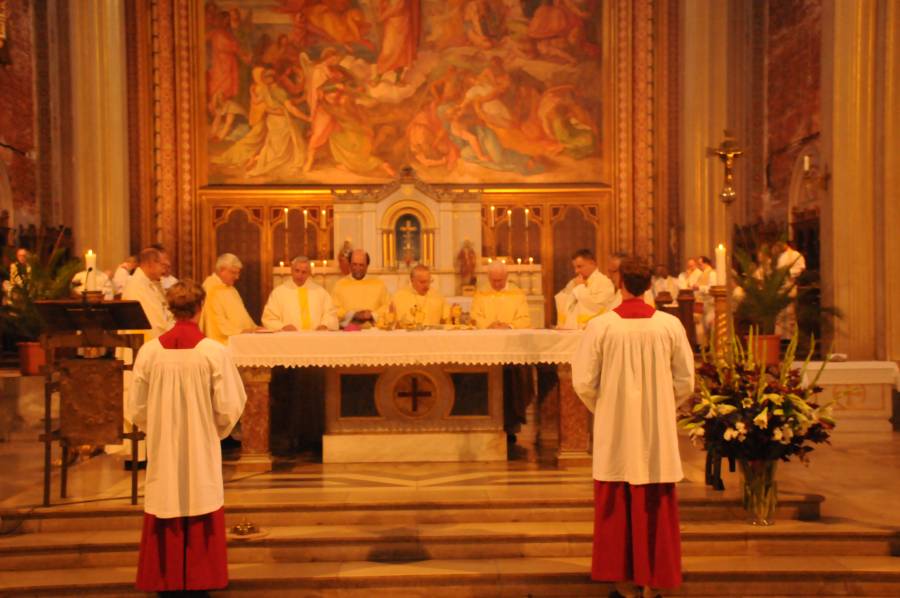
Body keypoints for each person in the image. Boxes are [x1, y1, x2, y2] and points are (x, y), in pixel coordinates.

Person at [571, 257, 694, 598]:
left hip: (616, 429)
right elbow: (686, 380)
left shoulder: (602, 326)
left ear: (621, 282)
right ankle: (653, 581)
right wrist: (661, 407)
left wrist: (609, 409)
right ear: (649, 284)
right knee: (655, 501)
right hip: (657, 431)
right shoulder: (669, 326)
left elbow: (582, 382)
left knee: (616, 499)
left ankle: (623, 581)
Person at [127, 280, 247, 593]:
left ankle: (164, 578)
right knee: (199, 494)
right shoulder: (213, 352)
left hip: (164, 444)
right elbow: (231, 404)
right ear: (200, 307)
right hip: (200, 443)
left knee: (166, 495)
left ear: (170, 308)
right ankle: (200, 577)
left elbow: (136, 406)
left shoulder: (150, 352)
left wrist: (159, 427)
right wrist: (212, 431)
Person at [262, 255, 338, 331]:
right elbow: (269, 318)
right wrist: (282, 327)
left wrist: (324, 325)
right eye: (297, 271)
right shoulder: (278, 293)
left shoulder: (320, 292)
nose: (300, 275)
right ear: (291, 270)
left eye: (304, 272)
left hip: (315, 337)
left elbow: (330, 314)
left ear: (309, 273)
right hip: (288, 338)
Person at [199, 253, 258, 344]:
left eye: (238, 273)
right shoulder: (211, 289)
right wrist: (240, 332)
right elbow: (216, 321)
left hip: (241, 339)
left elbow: (243, 315)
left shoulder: (231, 289)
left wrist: (254, 328)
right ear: (221, 270)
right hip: (224, 343)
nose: (237, 277)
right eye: (233, 273)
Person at [555, 248, 616, 329]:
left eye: (579, 266)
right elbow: (563, 303)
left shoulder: (605, 283)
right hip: (571, 330)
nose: (576, 271)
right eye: (575, 267)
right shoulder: (573, 282)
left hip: (591, 331)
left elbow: (597, 307)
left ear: (592, 263)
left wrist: (580, 288)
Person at [123, 247, 174, 340]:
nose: (164, 271)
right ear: (151, 263)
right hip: (142, 344)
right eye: (163, 265)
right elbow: (155, 323)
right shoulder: (137, 286)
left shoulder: (152, 283)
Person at [331, 249, 390, 328]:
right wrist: (353, 315)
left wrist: (372, 315)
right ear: (349, 264)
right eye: (354, 264)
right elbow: (334, 308)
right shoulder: (340, 285)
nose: (357, 268)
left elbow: (388, 305)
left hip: (374, 331)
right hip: (348, 331)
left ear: (367, 265)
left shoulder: (379, 284)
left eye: (361, 265)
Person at [470, 261, 531, 329]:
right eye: (494, 280)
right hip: (487, 335)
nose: (497, 284)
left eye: (500, 280)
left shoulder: (518, 293)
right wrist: (489, 325)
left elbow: (524, 319)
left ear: (506, 276)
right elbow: (474, 317)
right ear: (488, 277)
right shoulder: (480, 294)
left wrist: (509, 326)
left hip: (510, 336)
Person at [774, 240, 807, 338]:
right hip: (779, 288)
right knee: (779, 314)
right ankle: (780, 335)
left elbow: (800, 268)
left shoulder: (796, 255)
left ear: (786, 244)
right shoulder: (780, 256)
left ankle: (789, 336)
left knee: (789, 313)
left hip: (789, 286)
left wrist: (788, 273)